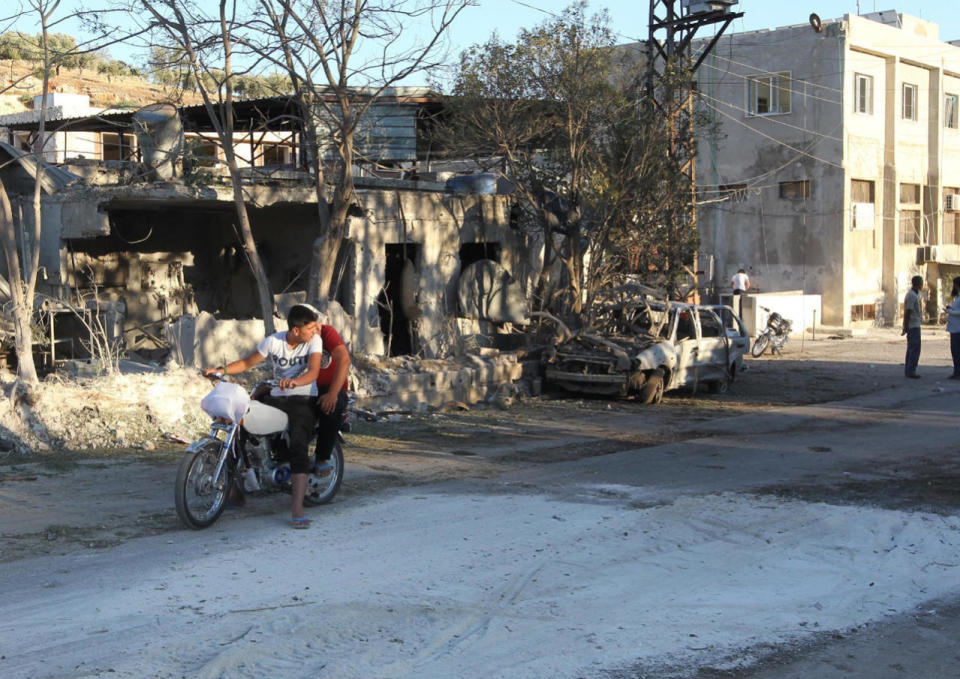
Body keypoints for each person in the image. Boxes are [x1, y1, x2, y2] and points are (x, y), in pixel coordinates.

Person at [202, 304, 323, 529]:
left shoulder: (314, 341)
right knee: (241, 424)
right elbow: (248, 363)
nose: (316, 331)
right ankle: (236, 491)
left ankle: (297, 509)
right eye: (311, 328)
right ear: (296, 330)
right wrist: (221, 371)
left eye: (315, 327)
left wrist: (295, 382)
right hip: (278, 396)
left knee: (299, 445)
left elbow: (313, 372)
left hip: (303, 399)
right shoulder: (273, 342)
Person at [313, 321, 352, 472]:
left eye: (315, 325)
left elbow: (344, 359)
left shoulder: (326, 332)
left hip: (331, 388)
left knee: (329, 407)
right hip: (304, 388)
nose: (314, 329)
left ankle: (322, 458)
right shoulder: (295, 338)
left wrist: (332, 394)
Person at [902, 275, 924, 379]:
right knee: (914, 349)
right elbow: (908, 312)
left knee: (913, 348)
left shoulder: (916, 294)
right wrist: (905, 326)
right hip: (913, 325)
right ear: (918, 284)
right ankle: (911, 371)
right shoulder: (911, 295)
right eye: (921, 283)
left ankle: (910, 370)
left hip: (916, 324)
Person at [945, 276, 960, 379]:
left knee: (956, 351)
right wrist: (951, 308)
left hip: (958, 329)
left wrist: (949, 311)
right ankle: (957, 371)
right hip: (954, 328)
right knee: (955, 351)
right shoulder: (957, 297)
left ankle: (957, 373)